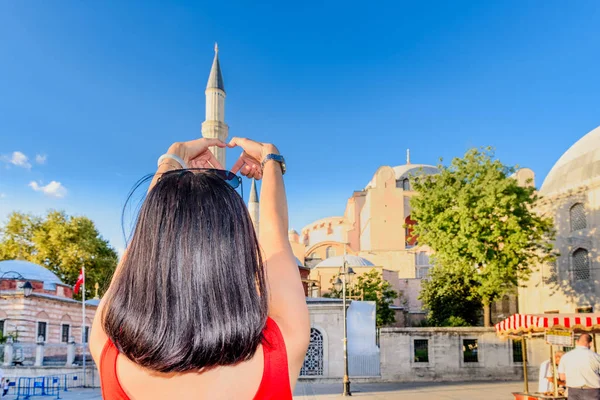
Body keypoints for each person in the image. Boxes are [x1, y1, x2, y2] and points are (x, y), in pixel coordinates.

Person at [90, 137, 310, 399]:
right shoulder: (281, 347)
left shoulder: (107, 345)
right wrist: (271, 160)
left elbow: (141, 246)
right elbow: (276, 240)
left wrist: (172, 160)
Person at [558, 334, 600, 400]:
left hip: (573, 391)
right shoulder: (596, 357)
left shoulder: (566, 356)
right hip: (592, 391)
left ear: (577, 342)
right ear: (591, 343)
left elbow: (562, 377)